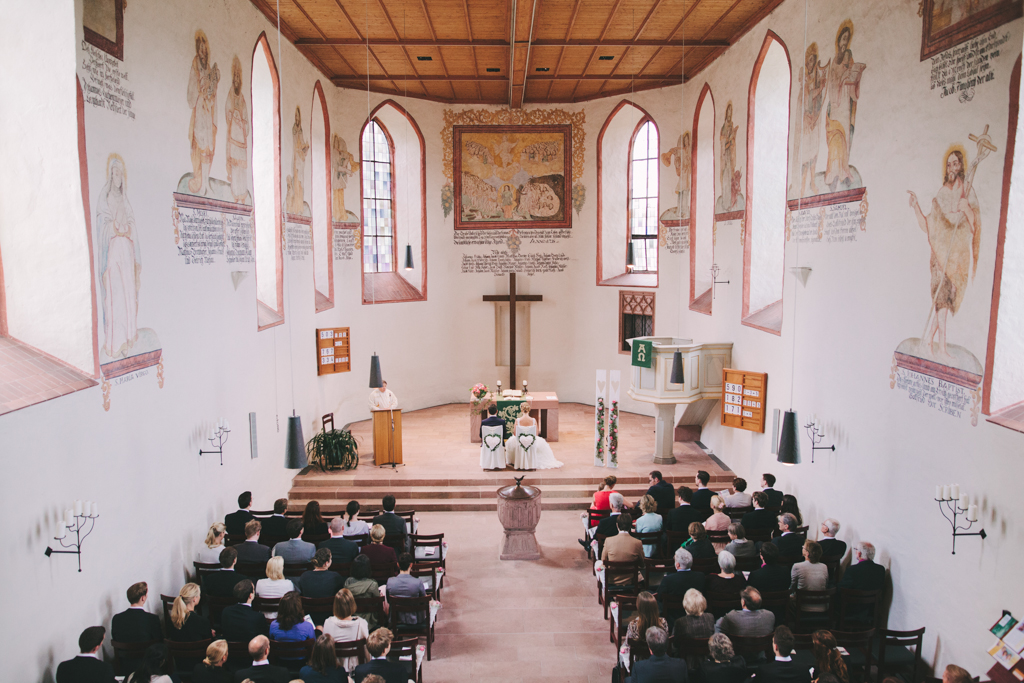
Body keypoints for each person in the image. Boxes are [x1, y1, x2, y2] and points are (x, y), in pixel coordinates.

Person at [186, 29, 220, 196]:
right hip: (200, 111)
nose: (203, 52)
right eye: (200, 48)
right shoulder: (196, 66)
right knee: (200, 145)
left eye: (204, 48)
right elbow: (191, 92)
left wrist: (212, 89)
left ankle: (206, 182)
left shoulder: (208, 68)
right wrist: (201, 92)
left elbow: (213, 94)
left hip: (208, 113)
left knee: (207, 147)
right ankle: (200, 181)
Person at [505, 399, 564, 469]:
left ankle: (518, 461)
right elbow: (536, 434)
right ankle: (531, 460)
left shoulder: (517, 420)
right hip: (531, 440)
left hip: (520, 441)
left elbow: (515, 434)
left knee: (510, 442)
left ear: (521, 410)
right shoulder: (533, 420)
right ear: (529, 410)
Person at [322, 588, 370, 672]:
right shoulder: (362, 624)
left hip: (334, 670)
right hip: (356, 669)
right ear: (352, 604)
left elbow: (325, 651)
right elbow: (367, 651)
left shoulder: (328, 623)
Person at [837, 542, 885, 620]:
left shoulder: (852, 570)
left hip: (852, 610)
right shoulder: (880, 570)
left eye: (855, 550)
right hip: (871, 610)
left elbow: (841, 589)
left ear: (859, 554)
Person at [224, 55, 249, 203]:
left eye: (239, 78)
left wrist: (242, 120)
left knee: (242, 169)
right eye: (235, 77)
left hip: (242, 139)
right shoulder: (230, 95)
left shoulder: (243, 99)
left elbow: (246, 117)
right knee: (235, 167)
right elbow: (227, 111)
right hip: (234, 138)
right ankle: (235, 192)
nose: (237, 80)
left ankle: (242, 193)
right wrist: (233, 115)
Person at [657, 548, 706, 622]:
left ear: (677, 565)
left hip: (673, 617)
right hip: (695, 613)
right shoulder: (701, 577)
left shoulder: (668, 580)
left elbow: (659, 596)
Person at [600, 513, 643, 585]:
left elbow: (603, 561)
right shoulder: (637, 543)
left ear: (617, 525)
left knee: (597, 564)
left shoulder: (608, 541)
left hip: (612, 580)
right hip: (631, 580)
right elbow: (642, 564)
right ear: (630, 526)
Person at [221, 580, 269, 644]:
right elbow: (264, 638)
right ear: (250, 595)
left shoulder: (226, 612)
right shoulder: (258, 617)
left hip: (230, 650)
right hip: (251, 651)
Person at [387, 552, 427, 624]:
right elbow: (424, 601)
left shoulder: (390, 582)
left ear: (398, 565)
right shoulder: (418, 582)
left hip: (396, 619)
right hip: (415, 619)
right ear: (411, 565)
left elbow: (388, 600)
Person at [344, 555, 382, 630]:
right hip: (369, 621)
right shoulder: (373, 585)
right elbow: (378, 605)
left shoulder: (348, 583)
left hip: (351, 619)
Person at [790, 540, 828, 612]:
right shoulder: (824, 567)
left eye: (803, 547)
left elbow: (792, 586)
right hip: (822, 606)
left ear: (807, 553)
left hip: (802, 606)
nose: (802, 548)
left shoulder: (797, 566)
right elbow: (825, 584)